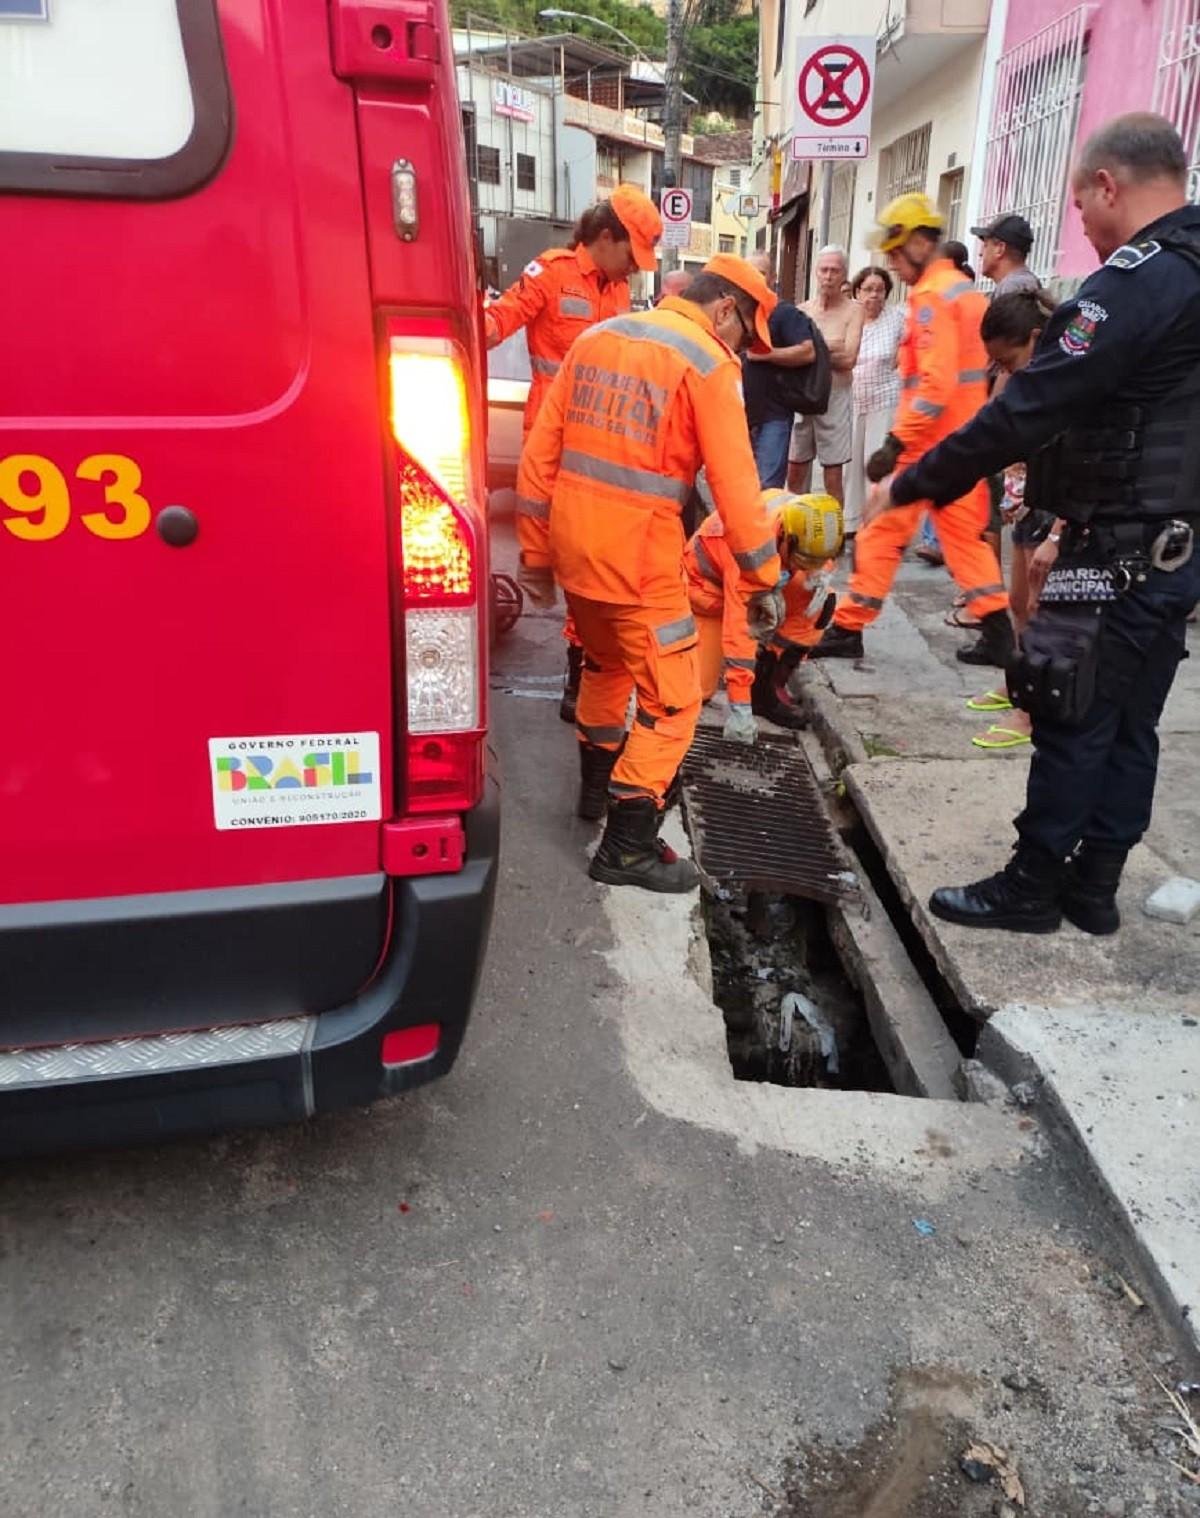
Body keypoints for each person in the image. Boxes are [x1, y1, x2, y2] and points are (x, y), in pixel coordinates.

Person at [864, 113, 1200, 934]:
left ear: (1110, 185)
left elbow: (1029, 407)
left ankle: (1033, 888)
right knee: (1130, 725)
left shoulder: (1140, 279)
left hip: (1117, 541)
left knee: (1070, 712)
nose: (1079, 222)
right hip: (1175, 548)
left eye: (1082, 202)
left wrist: (912, 481)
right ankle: (1094, 890)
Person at [516, 254, 782, 893]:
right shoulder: (708, 362)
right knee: (673, 703)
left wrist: (534, 556)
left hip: (575, 550)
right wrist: (764, 578)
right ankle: (625, 849)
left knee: (605, 669)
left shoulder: (595, 338)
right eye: (744, 330)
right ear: (725, 310)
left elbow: (538, 459)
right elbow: (738, 489)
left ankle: (593, 793)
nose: (741, 345)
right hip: (639, 563)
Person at [810, 194, 1011, 667]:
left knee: (879, 531)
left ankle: (848, 628)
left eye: (898, 254)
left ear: (922, 242)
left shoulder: (932, 298)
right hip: (964, 442)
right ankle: (1000, 632)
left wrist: (897, 441)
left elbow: (934, 383)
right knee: (965, 539)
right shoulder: (965, 292)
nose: (895, 266)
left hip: (925, 445)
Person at [494, 185, 663, 724]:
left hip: (604, 446)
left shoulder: (617, 293)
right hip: (552, 441)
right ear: (606, 236)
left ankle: (581, 669)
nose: (634, 271)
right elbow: (497, 322)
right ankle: (579, 661)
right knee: (568, 557)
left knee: (595, 562)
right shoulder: (552, 273)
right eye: (631, 256)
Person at [968, 291, 1066, 751]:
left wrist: (1058, 533)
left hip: (1057, 510)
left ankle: (1030, 713)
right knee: (1019, 600)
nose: (1005, 374)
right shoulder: (1034, 379)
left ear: (1034, 337)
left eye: (1009, 362)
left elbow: (1079, 462)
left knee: (1041, 611)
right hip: (1031, 498)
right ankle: (1016, 688)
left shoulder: (1071, 378)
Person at [687, 488, 842, 737]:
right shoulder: (747, 550)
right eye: (799, 561)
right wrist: (739, 705)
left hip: (766, 570)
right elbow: (740, 633)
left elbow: (816, 560)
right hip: (709, 592)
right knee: (696, 691)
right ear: (784, 538)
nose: (800, 568)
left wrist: (816, 579)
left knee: (818, 601)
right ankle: (744, 693)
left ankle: (767, 686)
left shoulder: (810, 529)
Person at [788, 245, 864, 506]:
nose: (829, 276)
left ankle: (835, 538)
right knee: (795, 470)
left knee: (833, 475)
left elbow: (848, 360)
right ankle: (792, 532)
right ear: (816, 273)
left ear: (844, 275)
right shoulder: (803, 310)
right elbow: (795, 355)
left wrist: (811, 350)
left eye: (835, 270)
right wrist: (830, 346)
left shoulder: (854, 310)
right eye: (824, 270)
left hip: (835, 396)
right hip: (803, 394)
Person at [742, 252, 818, 488]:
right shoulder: (737, 310)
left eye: (762, 272)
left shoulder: (784, 312)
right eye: (751, 271)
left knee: (768, 489)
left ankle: (767, 527)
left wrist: (767, 355)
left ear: (773, 278)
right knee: (741, 487)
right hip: (740, 415)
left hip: (773, 416)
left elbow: (808, 352)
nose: (756, 277)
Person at [846, 265, 905, 541]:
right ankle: (851, 519)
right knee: (852, 462)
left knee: (877, 461)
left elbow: (909, 348)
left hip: (884, 396)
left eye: (880, 290)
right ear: (857, 291)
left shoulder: (897, 318)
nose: (874, 295)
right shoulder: (850, 317)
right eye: (868, 289)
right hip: (853, 397)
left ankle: (878, 521)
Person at [971, 213, 1040, 297]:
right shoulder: (1020, 284)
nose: (980, 253)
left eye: (986, 245)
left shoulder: (1013, 287)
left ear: (1000, 249)